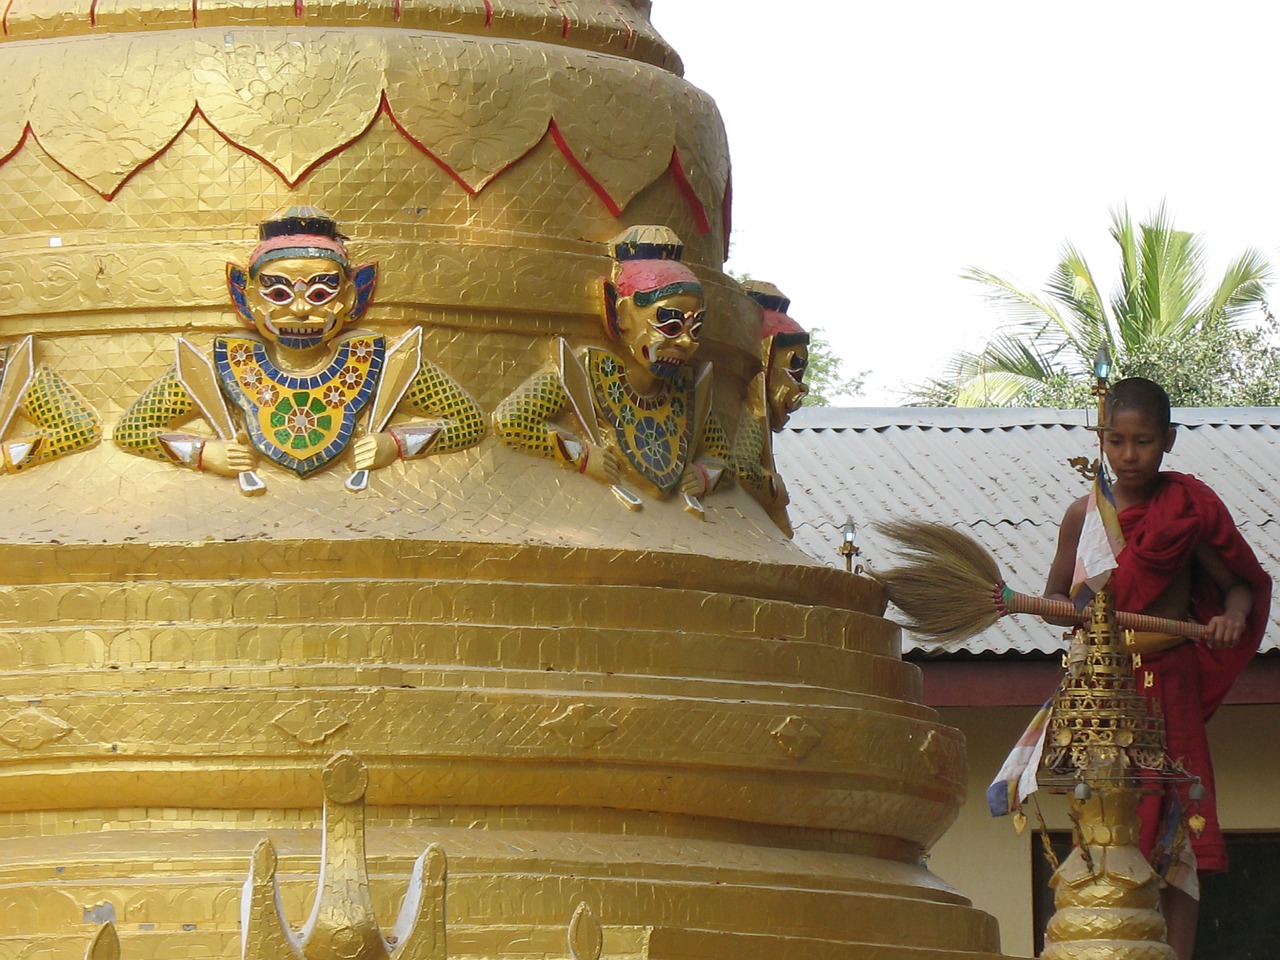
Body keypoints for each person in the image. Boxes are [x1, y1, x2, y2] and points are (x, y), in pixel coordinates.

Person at [1043, 376, 1271, 960]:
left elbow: (1238, 587)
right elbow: (1054, 604)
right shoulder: (1082, 514)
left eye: (1142, 441)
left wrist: (1232, 618)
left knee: (1178, 821)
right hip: (1101, 687)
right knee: (1104, 815)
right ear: (1101, 440)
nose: (1128, 454)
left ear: (1167, 439)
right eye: (1115, 441)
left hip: (1168, 683)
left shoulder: (1186, 511)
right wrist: (1083, 612)